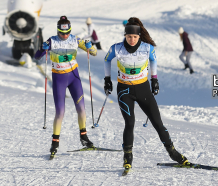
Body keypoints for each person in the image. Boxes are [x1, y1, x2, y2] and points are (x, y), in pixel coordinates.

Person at [104, 17, 191, 174]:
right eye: (129, 36)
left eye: (135, 37)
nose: (132, 40)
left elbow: (153, 61)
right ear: (125, 35)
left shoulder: (147, 48)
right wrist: (107, 80)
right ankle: (127, 157)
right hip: (125, 91)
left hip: (143, 89)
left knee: (158, 123)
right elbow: (106, 60)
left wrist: (154, 80)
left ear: (139, 36)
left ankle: (173, 153)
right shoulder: (116, 48)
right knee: (130, 123)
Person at [35, 16, 98, 157]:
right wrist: (42, 49)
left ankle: (84, 137)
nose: (65, 36)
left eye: (67, 33)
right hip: (59, 78)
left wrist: (90, 47)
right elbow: (36, 56)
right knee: (60, 112)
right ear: (58, 31)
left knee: (81, 107)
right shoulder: (51, 41)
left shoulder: (75, 40)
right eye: (62, 33)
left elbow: (94, 53)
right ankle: (55, 143)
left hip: (74, 77)